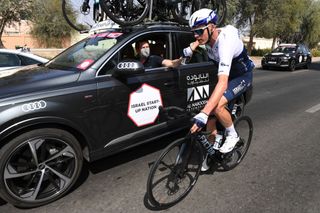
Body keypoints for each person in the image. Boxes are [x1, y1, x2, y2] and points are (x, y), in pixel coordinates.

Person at [184, 8, 254, 169]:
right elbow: (196, 42)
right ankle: (211, 151)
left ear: (212, 27)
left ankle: (233, 135)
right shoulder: (205, 38)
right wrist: (188, 51)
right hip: (227, 77)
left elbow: (222, 82)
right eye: (193, 32)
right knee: (211, 121)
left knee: (215, 107)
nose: (196, 35)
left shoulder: (225, 42)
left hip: (242, 76)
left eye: (199, 31)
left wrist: (204, 113)